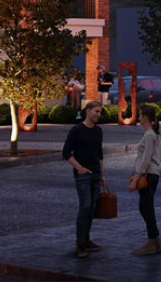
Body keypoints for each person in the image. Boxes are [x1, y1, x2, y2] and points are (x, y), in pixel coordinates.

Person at [62, 99, 110, 258]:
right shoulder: (76, 130)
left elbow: (100, 154)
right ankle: (80, 244)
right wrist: (79, 168)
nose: (98, 114)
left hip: (96, 174)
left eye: (100, 112)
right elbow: (66, 153)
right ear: (88, 111)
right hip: (83, 176)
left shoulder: (98, 131)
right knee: (85, 207)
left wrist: (102, 174)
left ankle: (87, 240)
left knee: (91, 209)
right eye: (96, 111)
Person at [129, 104, 161, 255]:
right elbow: (160, 155)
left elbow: (146, 158)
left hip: (148, 175)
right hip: (152, 174)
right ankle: (156, 242)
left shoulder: (150, 135)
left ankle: (153, 242)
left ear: (145, 118)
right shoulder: (152, 134)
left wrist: (136, 178)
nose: (138, 117)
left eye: (140, 114)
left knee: (146, 208)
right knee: (146, 207)